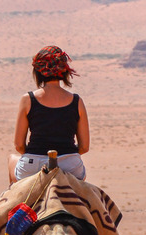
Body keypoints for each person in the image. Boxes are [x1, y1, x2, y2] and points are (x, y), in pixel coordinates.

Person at [7, 45, 90, 183]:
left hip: (34, 164)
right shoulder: (77, 101)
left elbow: (19, 146)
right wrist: (66, 156)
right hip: (70, 165)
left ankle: (14, 203)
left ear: (38, 72)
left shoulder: (28, 100)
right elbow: (84, 147)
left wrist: (37, 156)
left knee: (12, 160)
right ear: (64, 72)